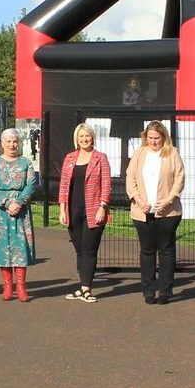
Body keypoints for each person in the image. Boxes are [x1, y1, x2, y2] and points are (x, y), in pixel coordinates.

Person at [126, 120, 186, 303]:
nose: (153, 142)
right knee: (147, 251)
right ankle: (148, 290)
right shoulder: (140, 153)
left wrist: (169, 199)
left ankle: (165, 290)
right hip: (142, 211)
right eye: (150, 138)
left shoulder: (172, 153)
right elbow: (130, 177)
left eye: (156, 138)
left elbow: (180, 177)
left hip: (168, 212)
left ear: (163, 137)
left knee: (166, 250)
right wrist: (137, 199)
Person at [57, 123, 112, 302]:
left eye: (87, 136)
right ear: (76, 139)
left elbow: (106, 184)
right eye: (81, 137)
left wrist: (102, 207)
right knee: (79, 250)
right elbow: (64, 185)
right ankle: (82, 286)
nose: (84, 139)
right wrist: (62, 208)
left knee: (89, 250)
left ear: (92, 137)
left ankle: (86, 288)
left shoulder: (100, 158)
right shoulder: (70, 158)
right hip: (73, 210)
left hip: (93, 210)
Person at [0, 128, 40, 301]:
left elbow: (31, 184)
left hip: (20, 210)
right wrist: (7, 203)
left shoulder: (26, 163)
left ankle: (21, 287)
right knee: (3, 247)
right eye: (8, 141)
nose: (12, 144)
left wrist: (19, 202)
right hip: (0, 210)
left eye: (15, 141)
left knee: (20, 247)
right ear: (2, 143)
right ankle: (8, 286)